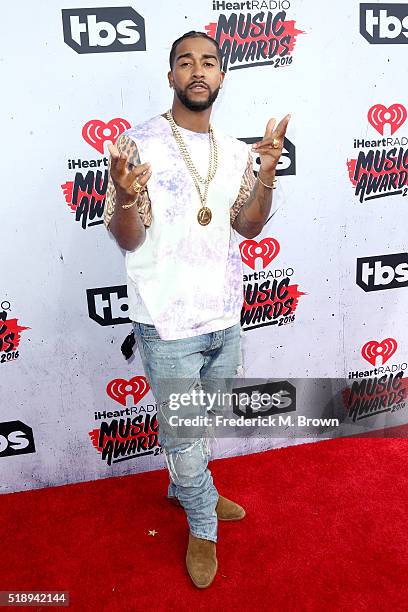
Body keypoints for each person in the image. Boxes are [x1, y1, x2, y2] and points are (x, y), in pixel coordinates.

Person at [104, 30, 290, 589]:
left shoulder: (236, 152)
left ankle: (183, 484)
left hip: (224, 313)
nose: (198, 71)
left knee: (204, 421)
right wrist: (126, 194)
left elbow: (248, 225)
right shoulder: (135, 146)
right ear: (171, 78)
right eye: (185, 62)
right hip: (167, 321)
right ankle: (202, 520)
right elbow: (127, 238)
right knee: (185, 433)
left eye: (208, 62)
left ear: (221, 77)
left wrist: (266, 173)